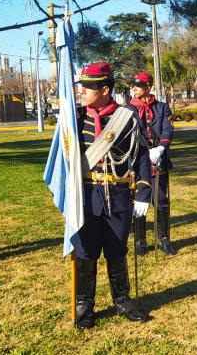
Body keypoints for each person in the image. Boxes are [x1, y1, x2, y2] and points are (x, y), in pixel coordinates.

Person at [72, 61, 151, 329]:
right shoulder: (75, 117)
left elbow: (140, 156)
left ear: (105, 89)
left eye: (88, 86)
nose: (81, 90)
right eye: (82, 85)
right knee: (85, 251)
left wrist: (142, 192)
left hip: (117, 192)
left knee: (117, 248)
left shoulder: (126, 117)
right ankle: (84, 305)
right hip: (85, 192)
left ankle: (122, 300)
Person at [125, 72, 177, 256]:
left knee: (162, 201)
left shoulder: (162, 107)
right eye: (133, 85)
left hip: (158, 159)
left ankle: (164, 238)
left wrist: (161, 148)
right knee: (139, 200)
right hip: (138, 162)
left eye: (137, 85)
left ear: (147, 87)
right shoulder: (128, 109)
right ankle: (140, 241)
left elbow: (168, 129)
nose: (134, 88)